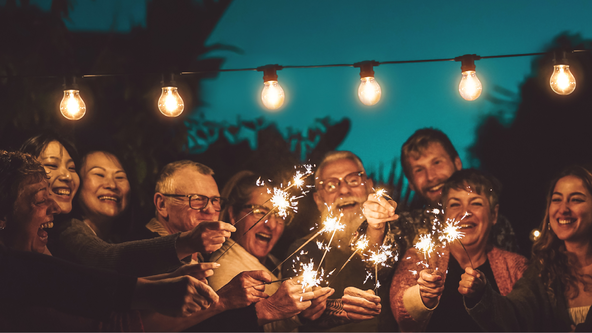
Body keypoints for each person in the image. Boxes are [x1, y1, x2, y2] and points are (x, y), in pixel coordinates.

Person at [0, 150, 220, 331]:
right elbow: (82, 281)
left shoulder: (115, 238)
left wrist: (167, 279)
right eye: (39, 199)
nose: (112, 185)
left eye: (120, 176)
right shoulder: (62, 237)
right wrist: (224, 301)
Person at [19, 134, 233, 276]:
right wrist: (185, 243)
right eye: (98, 175)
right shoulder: (65, 231)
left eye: (120, 177)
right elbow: (106, 260)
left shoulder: (124, 238)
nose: (111, 185)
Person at [143, 161, 319, 331]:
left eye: (215, 201)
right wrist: (234, 303)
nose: (210, 210)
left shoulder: (196, 256)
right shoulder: (147, 256)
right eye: (197, 200)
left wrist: (309, 316)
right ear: (162, 204)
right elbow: (142, 326)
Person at [389, 169, 527, 331]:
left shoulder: (517, 266)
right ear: (445, 215)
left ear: (494, 214)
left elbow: (524, 320)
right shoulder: (420, 256)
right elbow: (400, 312)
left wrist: (483, 295)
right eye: (455, 204)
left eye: (476, 203)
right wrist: (421, 297)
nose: (465, 213)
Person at [463, 165, 592, 331]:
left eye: (576, 199)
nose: (563, 209)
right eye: (557, 199)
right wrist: (481, 294)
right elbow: (515, 315)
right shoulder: (544, 269)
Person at [283, 151, 402, 331]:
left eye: (353, 180)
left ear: (369, 187)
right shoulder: (303, 250)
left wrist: (377, 228)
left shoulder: (399, 236)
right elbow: (294, 316)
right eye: (331, 185)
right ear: (318, 199)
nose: (344, 190)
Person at [210, 170, 335, 331]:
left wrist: (330, 311)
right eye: (259, 212)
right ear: (233, 214)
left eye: (279, 215)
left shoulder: (276, 264)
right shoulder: (222, 272)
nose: (271, 224)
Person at [391, 128, 518, 254]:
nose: (431, 176)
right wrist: (376, 229)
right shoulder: (405, 226)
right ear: (411, 183)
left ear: (457, 163)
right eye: (419, 169)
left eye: (437, 162)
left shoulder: (495, 223)